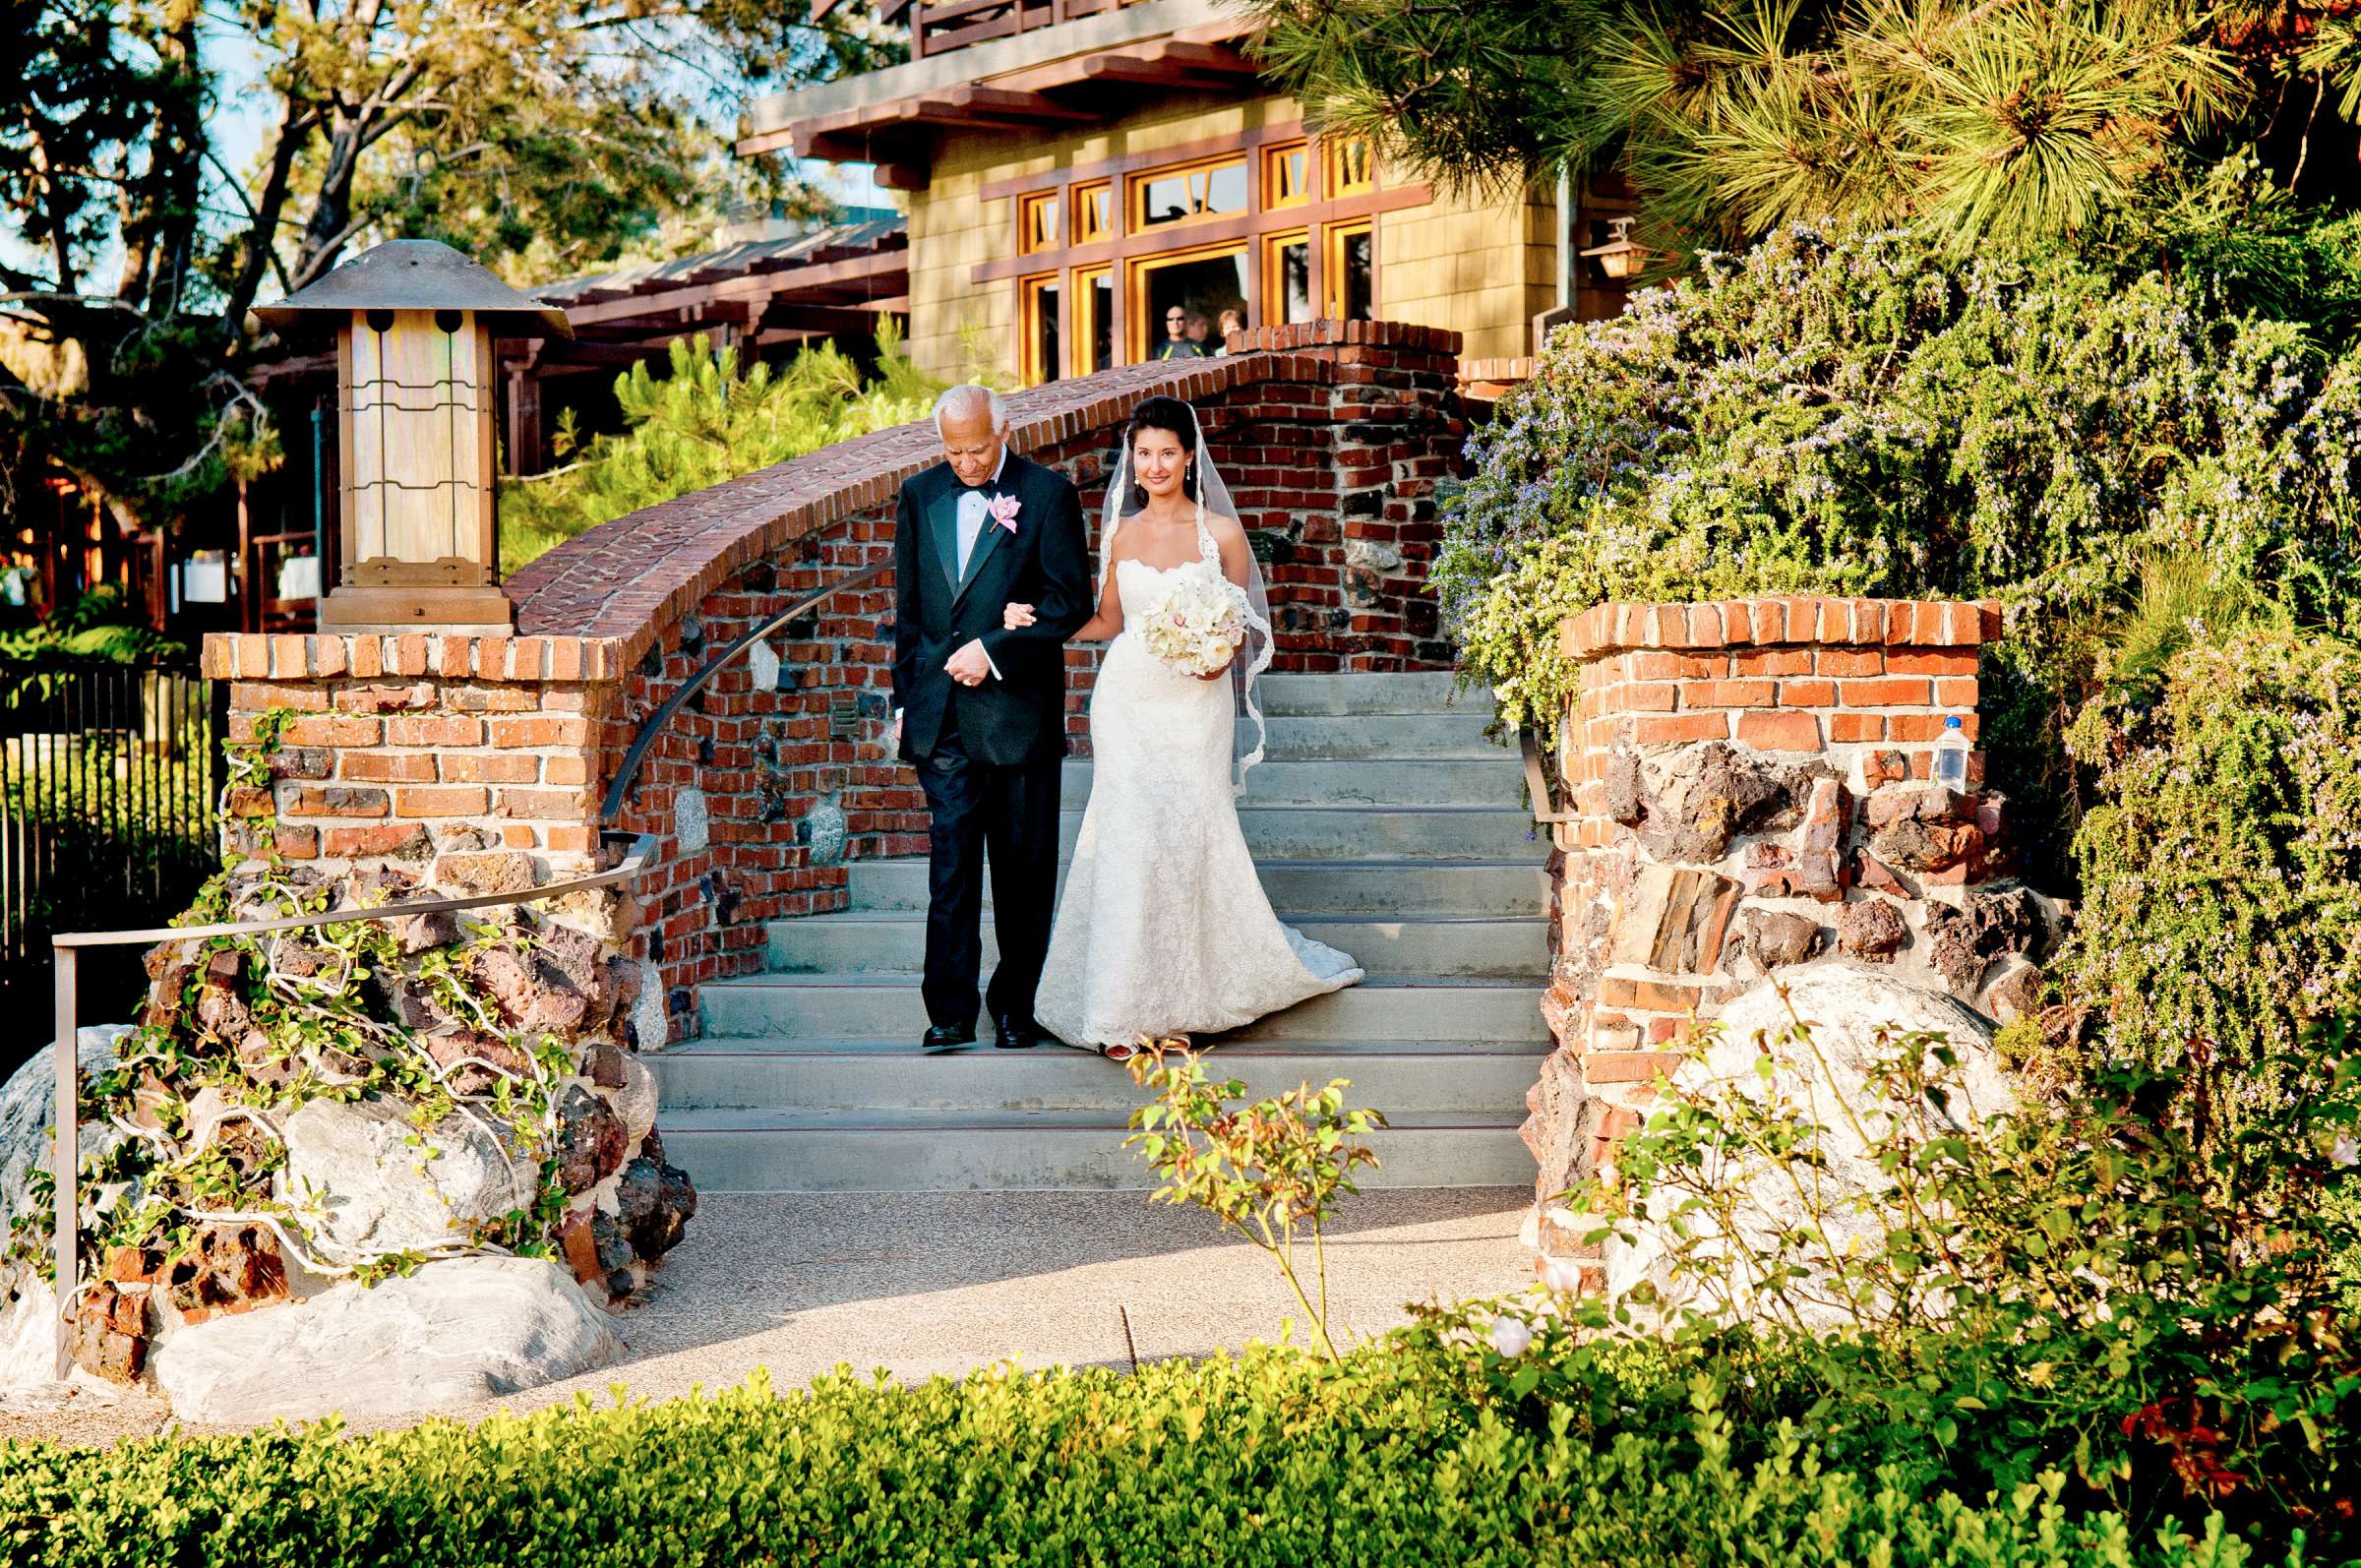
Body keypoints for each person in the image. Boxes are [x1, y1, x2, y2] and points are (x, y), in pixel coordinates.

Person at [1000, 396, 1362, 1056]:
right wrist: (1038, 623)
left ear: (1189, 456)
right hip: (1128, 702)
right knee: (1131, 838)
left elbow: (1248, 619)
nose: (1156, 464)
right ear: (1132, 462)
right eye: (1144, 453)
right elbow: (1108, 621)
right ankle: (1120, 1010)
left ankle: (1187, 999)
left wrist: (1216, 652)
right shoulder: (1119, 532)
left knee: (1189, 835)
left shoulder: (1219, 532)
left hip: (1196, 707)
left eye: (1168, 452)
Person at [890, 385, 1094, 1054]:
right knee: (950, 872)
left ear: (1003, 429)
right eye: (954, 452)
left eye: (977, 449)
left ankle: (1017, 1008)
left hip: (1016, 717)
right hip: (941, 717)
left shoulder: (1047, 495)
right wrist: (903, 700)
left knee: (1023, 871)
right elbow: (912, 614)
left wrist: (997, 648)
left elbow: (1069, 604)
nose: (968, 464)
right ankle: (948, 1012)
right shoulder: (919, 496)